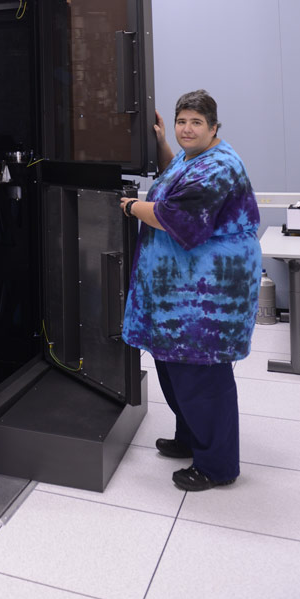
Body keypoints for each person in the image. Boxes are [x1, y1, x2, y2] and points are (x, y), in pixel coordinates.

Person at [119, 90, 261, 492]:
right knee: (175, 367)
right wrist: (163, 143)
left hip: (206, 297)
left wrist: (128, 205)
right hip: (179, 294)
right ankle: (189, 439)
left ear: (214, 128)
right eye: (182, 121)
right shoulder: (190, 156)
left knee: (201, 375)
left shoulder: (219, 166)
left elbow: (173, 214)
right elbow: (174, 178)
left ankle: (217, 466)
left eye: (196, 123)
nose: (187, 129)